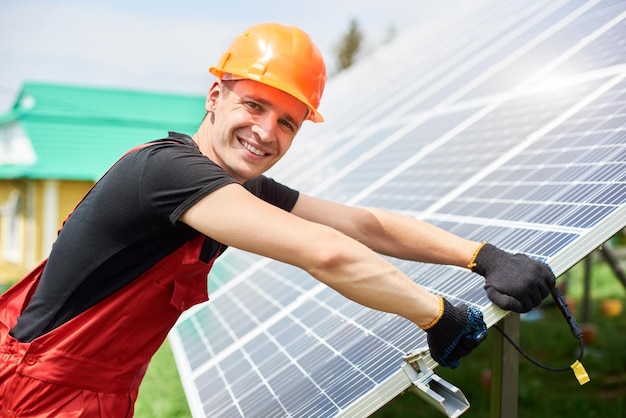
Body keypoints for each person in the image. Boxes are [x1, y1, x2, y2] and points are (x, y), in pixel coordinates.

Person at [0, 22, 555, 416]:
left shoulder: (236, 185)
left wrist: (481, 256)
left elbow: (359, 226)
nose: (267, 133)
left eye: (288, 122)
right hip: (42, 396)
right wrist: (438, 315)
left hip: (90, 390)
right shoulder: (169, 173)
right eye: (254, 106)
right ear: (215, 94)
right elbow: (326, 251)